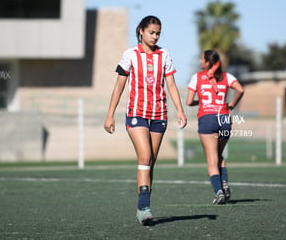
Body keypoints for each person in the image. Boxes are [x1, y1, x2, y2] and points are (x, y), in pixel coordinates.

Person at [104, 15, 187, 225]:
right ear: (141, 30)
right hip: (136, 113)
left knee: (151, 163)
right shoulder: (130, 54)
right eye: (151, 32)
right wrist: (110, 114)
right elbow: (119, 86)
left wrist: (180, 110)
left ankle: (143, 205)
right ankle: (144, 207)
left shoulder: (164, 54)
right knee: (145, 156)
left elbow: (171, 86)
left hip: (159, 115)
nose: (155, 36)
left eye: (158, 33)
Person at [186, 49, 244, 204]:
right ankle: (224, 183)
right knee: (219, 155)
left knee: (212, 159)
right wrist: (232, 104)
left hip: (207, 119)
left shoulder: (197, 77)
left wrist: (202, 102)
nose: (199, 61)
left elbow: (189, 101)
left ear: (207, 63)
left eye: (201, 59)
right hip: (224, 118)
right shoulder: (226, 76)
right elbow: (240, 89)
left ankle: (219, 192)